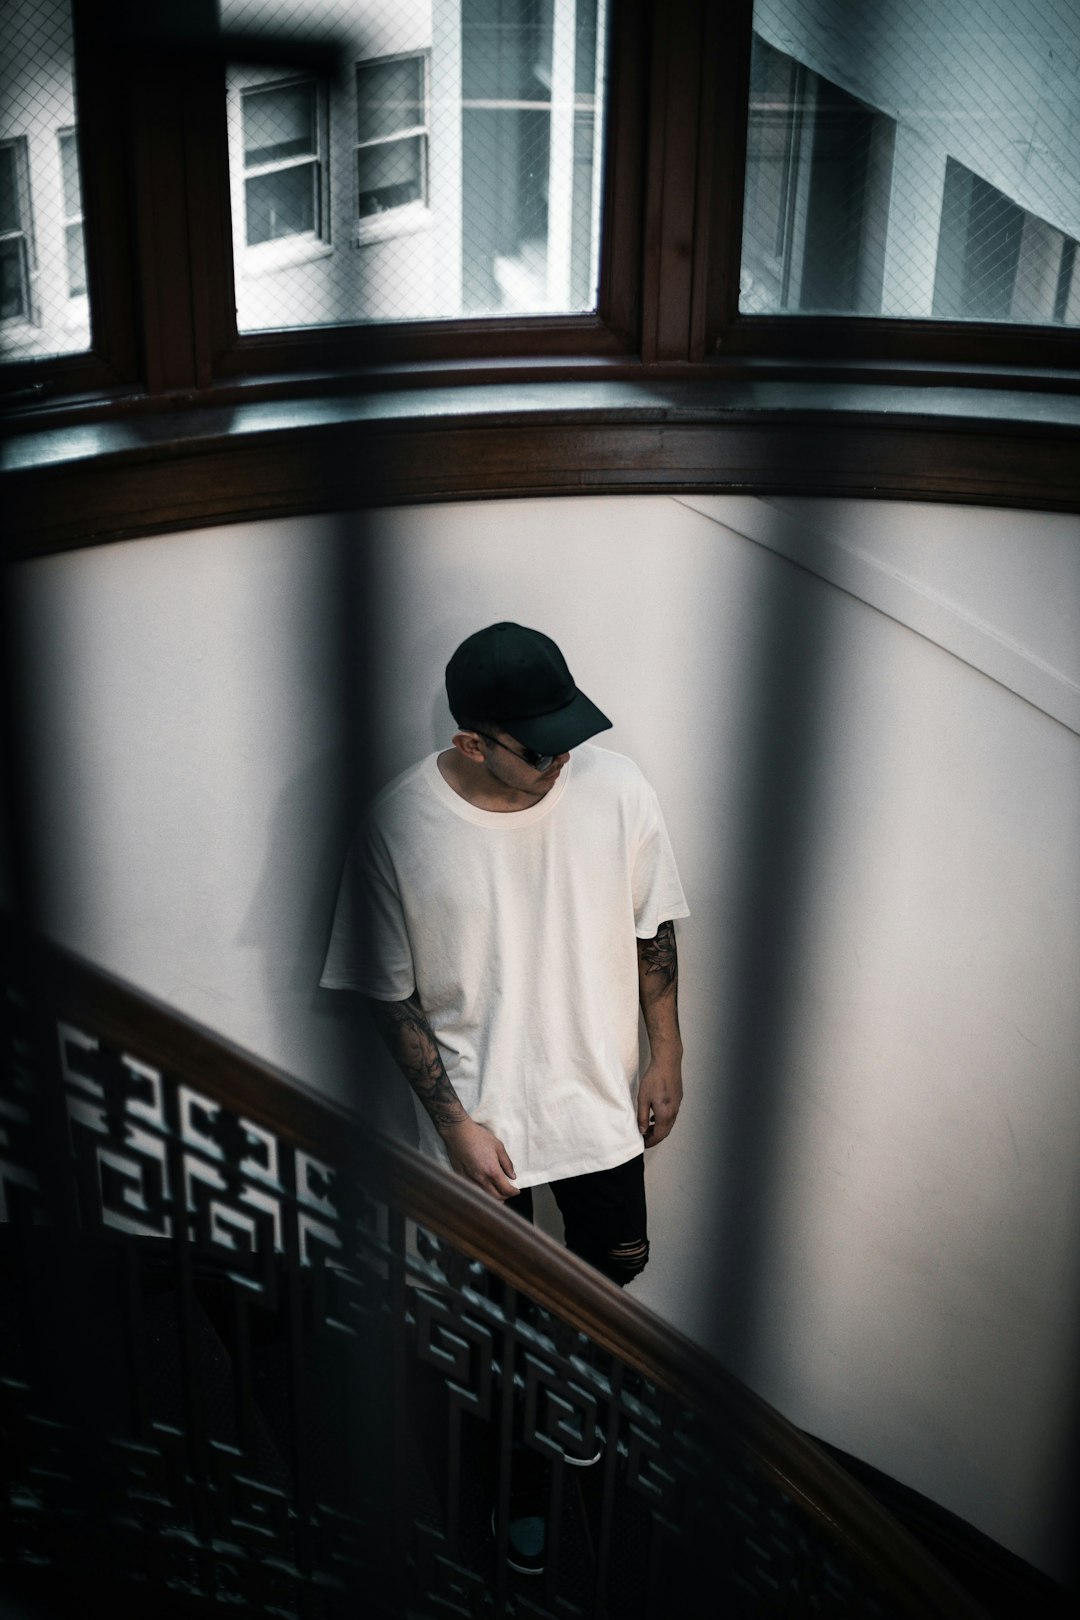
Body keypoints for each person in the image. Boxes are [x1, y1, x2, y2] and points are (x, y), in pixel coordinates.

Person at [320, 620, 689, 1290]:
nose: (564, 760)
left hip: (598, 1101)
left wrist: (668, 1055)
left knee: (619, 1269)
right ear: (471, 743)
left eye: (570, 740)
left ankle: (580, 1392)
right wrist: (454, 1125)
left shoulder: (621, 789)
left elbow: (652, 932)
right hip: (483, 1119)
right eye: (541, 752)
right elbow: (386, 993)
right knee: (488, 1301)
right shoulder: (396, 828)